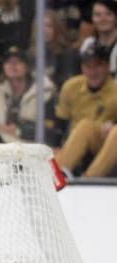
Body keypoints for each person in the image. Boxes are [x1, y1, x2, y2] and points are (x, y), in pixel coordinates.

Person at [55, 42, 117, 176]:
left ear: (107, 67)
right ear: (82, 68)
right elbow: (59, 125)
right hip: (75, 145)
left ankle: (88, 180)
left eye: (98, 65)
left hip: (105, 148)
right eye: (88, 66)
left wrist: (113, 125)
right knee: (85, 126)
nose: (93, 71)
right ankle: (57, 175)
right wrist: (55, 146)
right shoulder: (71, 87)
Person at [0, 46, 58, 144]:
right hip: (4, 147)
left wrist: (19, 131)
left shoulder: (45, 90)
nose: (13, 65)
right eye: (8, 62)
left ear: (27, 66)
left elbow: (50, 130)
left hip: (34, 148)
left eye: (18, 61)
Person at [35, 9, 82, 89]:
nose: (43, 30)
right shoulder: (32, 55)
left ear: (56, 28)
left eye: (48, 26)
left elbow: (68, 85)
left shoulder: (68, 54)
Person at [78, 0, 117, 77]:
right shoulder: (88, 44)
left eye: (108, 14)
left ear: (116, 18)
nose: (103, 19)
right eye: (97, 15)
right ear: (92, 19)